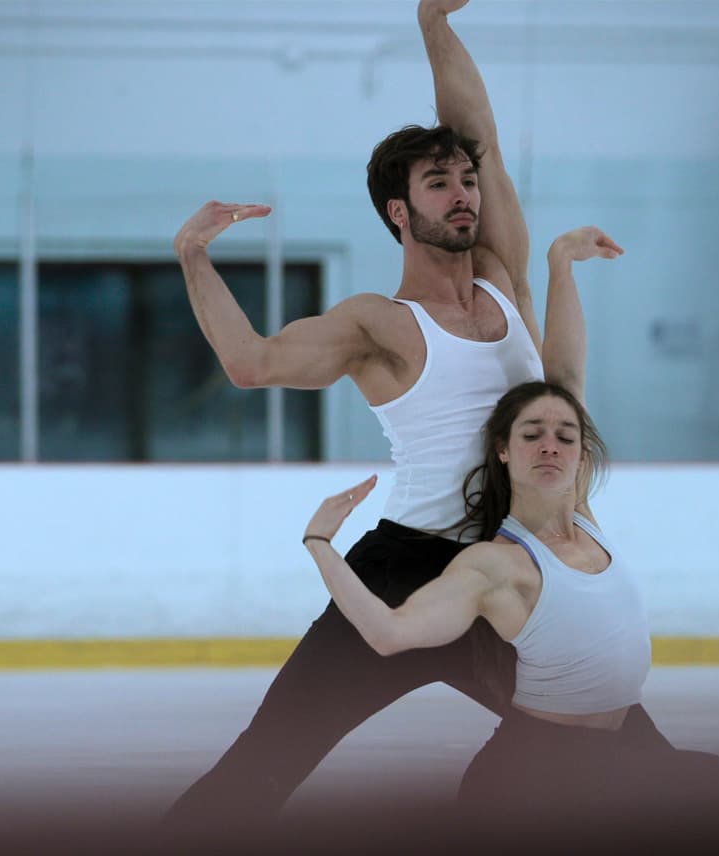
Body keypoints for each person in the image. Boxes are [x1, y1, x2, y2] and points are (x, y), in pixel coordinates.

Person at [162, 0, 673, 827]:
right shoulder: (379, 324)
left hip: (507, 571)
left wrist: (435, 26)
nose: (464, 194)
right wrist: (193, 257)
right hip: (403, 569)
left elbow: (481, 135)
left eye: (466, 181)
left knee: (633, 753)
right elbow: (251, 363)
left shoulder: (504, 278)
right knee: (263, 764)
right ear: (399, 212)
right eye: (440, 184)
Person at [298, 227, 719, 822]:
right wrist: (320, 545)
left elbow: (568, 376)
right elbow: (388, 634)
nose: (550, 445)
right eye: (532, 435)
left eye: (565, 436)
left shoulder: (583, 521)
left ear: (582, 454)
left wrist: (562, 264)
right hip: (532, 777)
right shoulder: (495, 564)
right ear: (504, 451)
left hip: (605, 760)